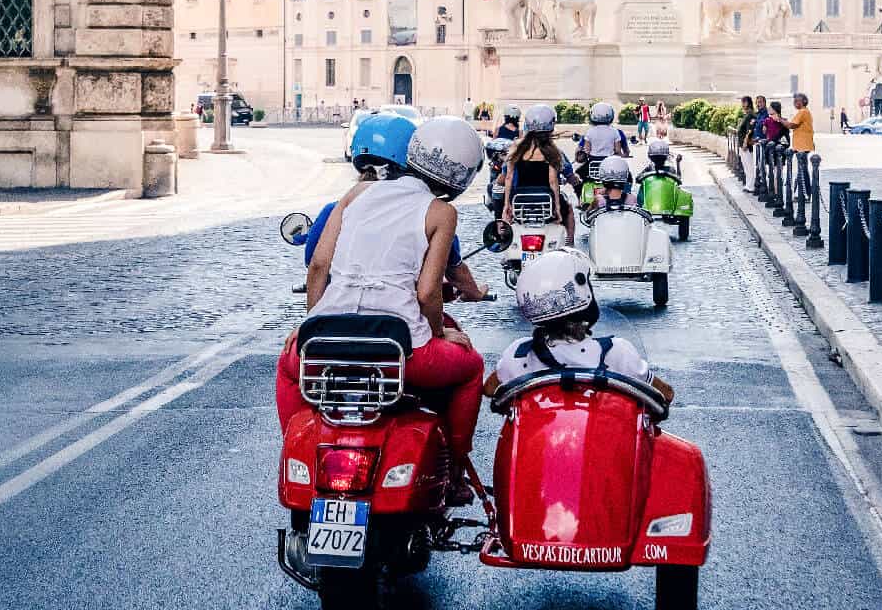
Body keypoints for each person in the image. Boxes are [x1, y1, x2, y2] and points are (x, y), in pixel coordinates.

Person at [276, 116, 487, 504]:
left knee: (289, 367)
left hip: (330, 339)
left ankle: (299, 448)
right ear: (464, 174)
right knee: (471, 367)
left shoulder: (355, 196)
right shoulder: (440, 213)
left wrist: (310, 326)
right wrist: (441, 334)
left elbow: (319, 268)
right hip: (400, 348)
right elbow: (427, 293)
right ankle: (456, 471)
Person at [303, 114, 489, 302]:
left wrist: (314, 320)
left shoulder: (340, 206)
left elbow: (316, 264)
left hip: (334, 312)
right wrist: (475, 294)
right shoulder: (431, 213)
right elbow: (450, 275)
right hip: (400, 317)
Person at [482, 249, 673, 405]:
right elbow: (664, 394)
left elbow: (490, 389)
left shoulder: (518, 354)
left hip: (537, 446)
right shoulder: (616, 352)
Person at [499, 104, 575, 245]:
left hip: (520, 200)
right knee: (569, 210)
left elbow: (508, 178)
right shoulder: (552, 151)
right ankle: (570, 244)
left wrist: (506, 205)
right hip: (546, 200)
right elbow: (553, 182)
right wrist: (557, 208)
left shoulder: (516, 147)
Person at [774, 92, 815, 193]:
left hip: (803, 145)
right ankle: (800, 192)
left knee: (803, 170)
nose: (795, 103)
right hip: (802, 144)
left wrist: (779, 119)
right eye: (794, 101)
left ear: (804, 101)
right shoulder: (803, 112)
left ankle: (805, 193)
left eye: (797, 101)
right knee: (801, 170)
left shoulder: (803, 112)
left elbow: (791, 125)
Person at [736, 95, 756, 193]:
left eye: (745, 102)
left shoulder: (751, 115)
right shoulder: (746, 114)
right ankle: (748, 185)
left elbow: (749, 130)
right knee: (745, 165)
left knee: (749, 165)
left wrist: (745, 143)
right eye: (742, 102)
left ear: (749, 103)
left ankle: (751, 186)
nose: (743, 104)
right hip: (742, 144)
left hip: (746, 145)